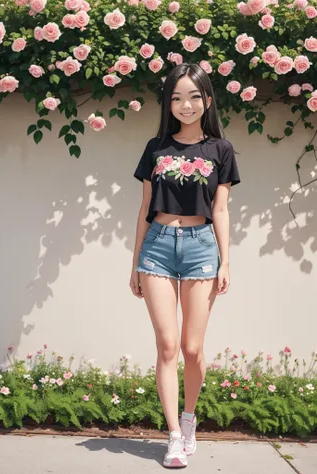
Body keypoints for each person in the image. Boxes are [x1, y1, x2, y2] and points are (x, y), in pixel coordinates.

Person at [130, 63, 241, 468]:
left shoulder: (220, 150)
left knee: (192, 349)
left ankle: (190, 418)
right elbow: (144, 207)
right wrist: (135, 261)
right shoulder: (156, 148)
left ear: (207, 100)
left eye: (194, 96)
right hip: (157, 247)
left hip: (200, 249)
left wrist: (225, 261)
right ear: (168, 103)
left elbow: (222, 209)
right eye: (176, 97)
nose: (185, 104)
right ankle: (174, 436)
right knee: (167, 346)